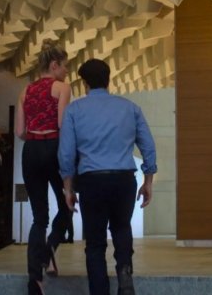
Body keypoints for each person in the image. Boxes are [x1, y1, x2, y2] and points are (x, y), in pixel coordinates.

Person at [58, 59, 157, 295]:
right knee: (122, 229)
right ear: (108, 80)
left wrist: (68, 188)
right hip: (124, 180)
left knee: (94, 242)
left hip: (92, 181)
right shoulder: (130, 108)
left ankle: (99, 291)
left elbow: (66, 154)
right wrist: (148, 181)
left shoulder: (74, 110)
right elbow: (148, 147)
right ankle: (124, 276)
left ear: (84, 84)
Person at [15, 40, 72, 295]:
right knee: (67, 204)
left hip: (30, 151)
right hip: (53, 147)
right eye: (65, 67)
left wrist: (35, 137)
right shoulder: (62, 88)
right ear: (54, 64)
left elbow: (19, 132)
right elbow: (63, 125)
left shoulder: (25, 91)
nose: (67, 72)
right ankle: (49, 250)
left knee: (39, 217)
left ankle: (34, 279)